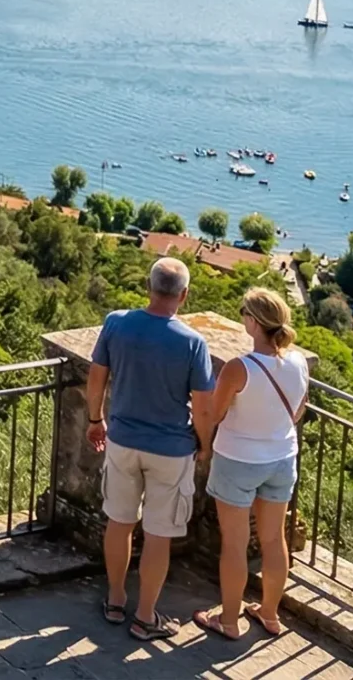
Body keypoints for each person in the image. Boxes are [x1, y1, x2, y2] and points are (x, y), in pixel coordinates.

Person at [88, 256, 215, 641]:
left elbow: (96, 378)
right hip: (171, 449)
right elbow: (204, 406)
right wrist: (204, 445)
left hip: (122, 441)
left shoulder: (116, 324)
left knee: (119, 522)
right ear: (185, 295)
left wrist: (95, 419)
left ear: (149, 287)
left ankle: (114, 600)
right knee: (159, 534)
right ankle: (145, 617)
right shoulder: (193, 343)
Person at [193, 286, 308, 640]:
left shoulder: (238, 368)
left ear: (254, 323)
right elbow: (299, 411)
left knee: (234, 543)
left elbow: (213, 412)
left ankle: (229, 620)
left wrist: (206, 441)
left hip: (238, 460)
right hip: (281, 458)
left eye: (244, 312)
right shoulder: (299, 361)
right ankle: (270, 613)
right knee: (274, 540)